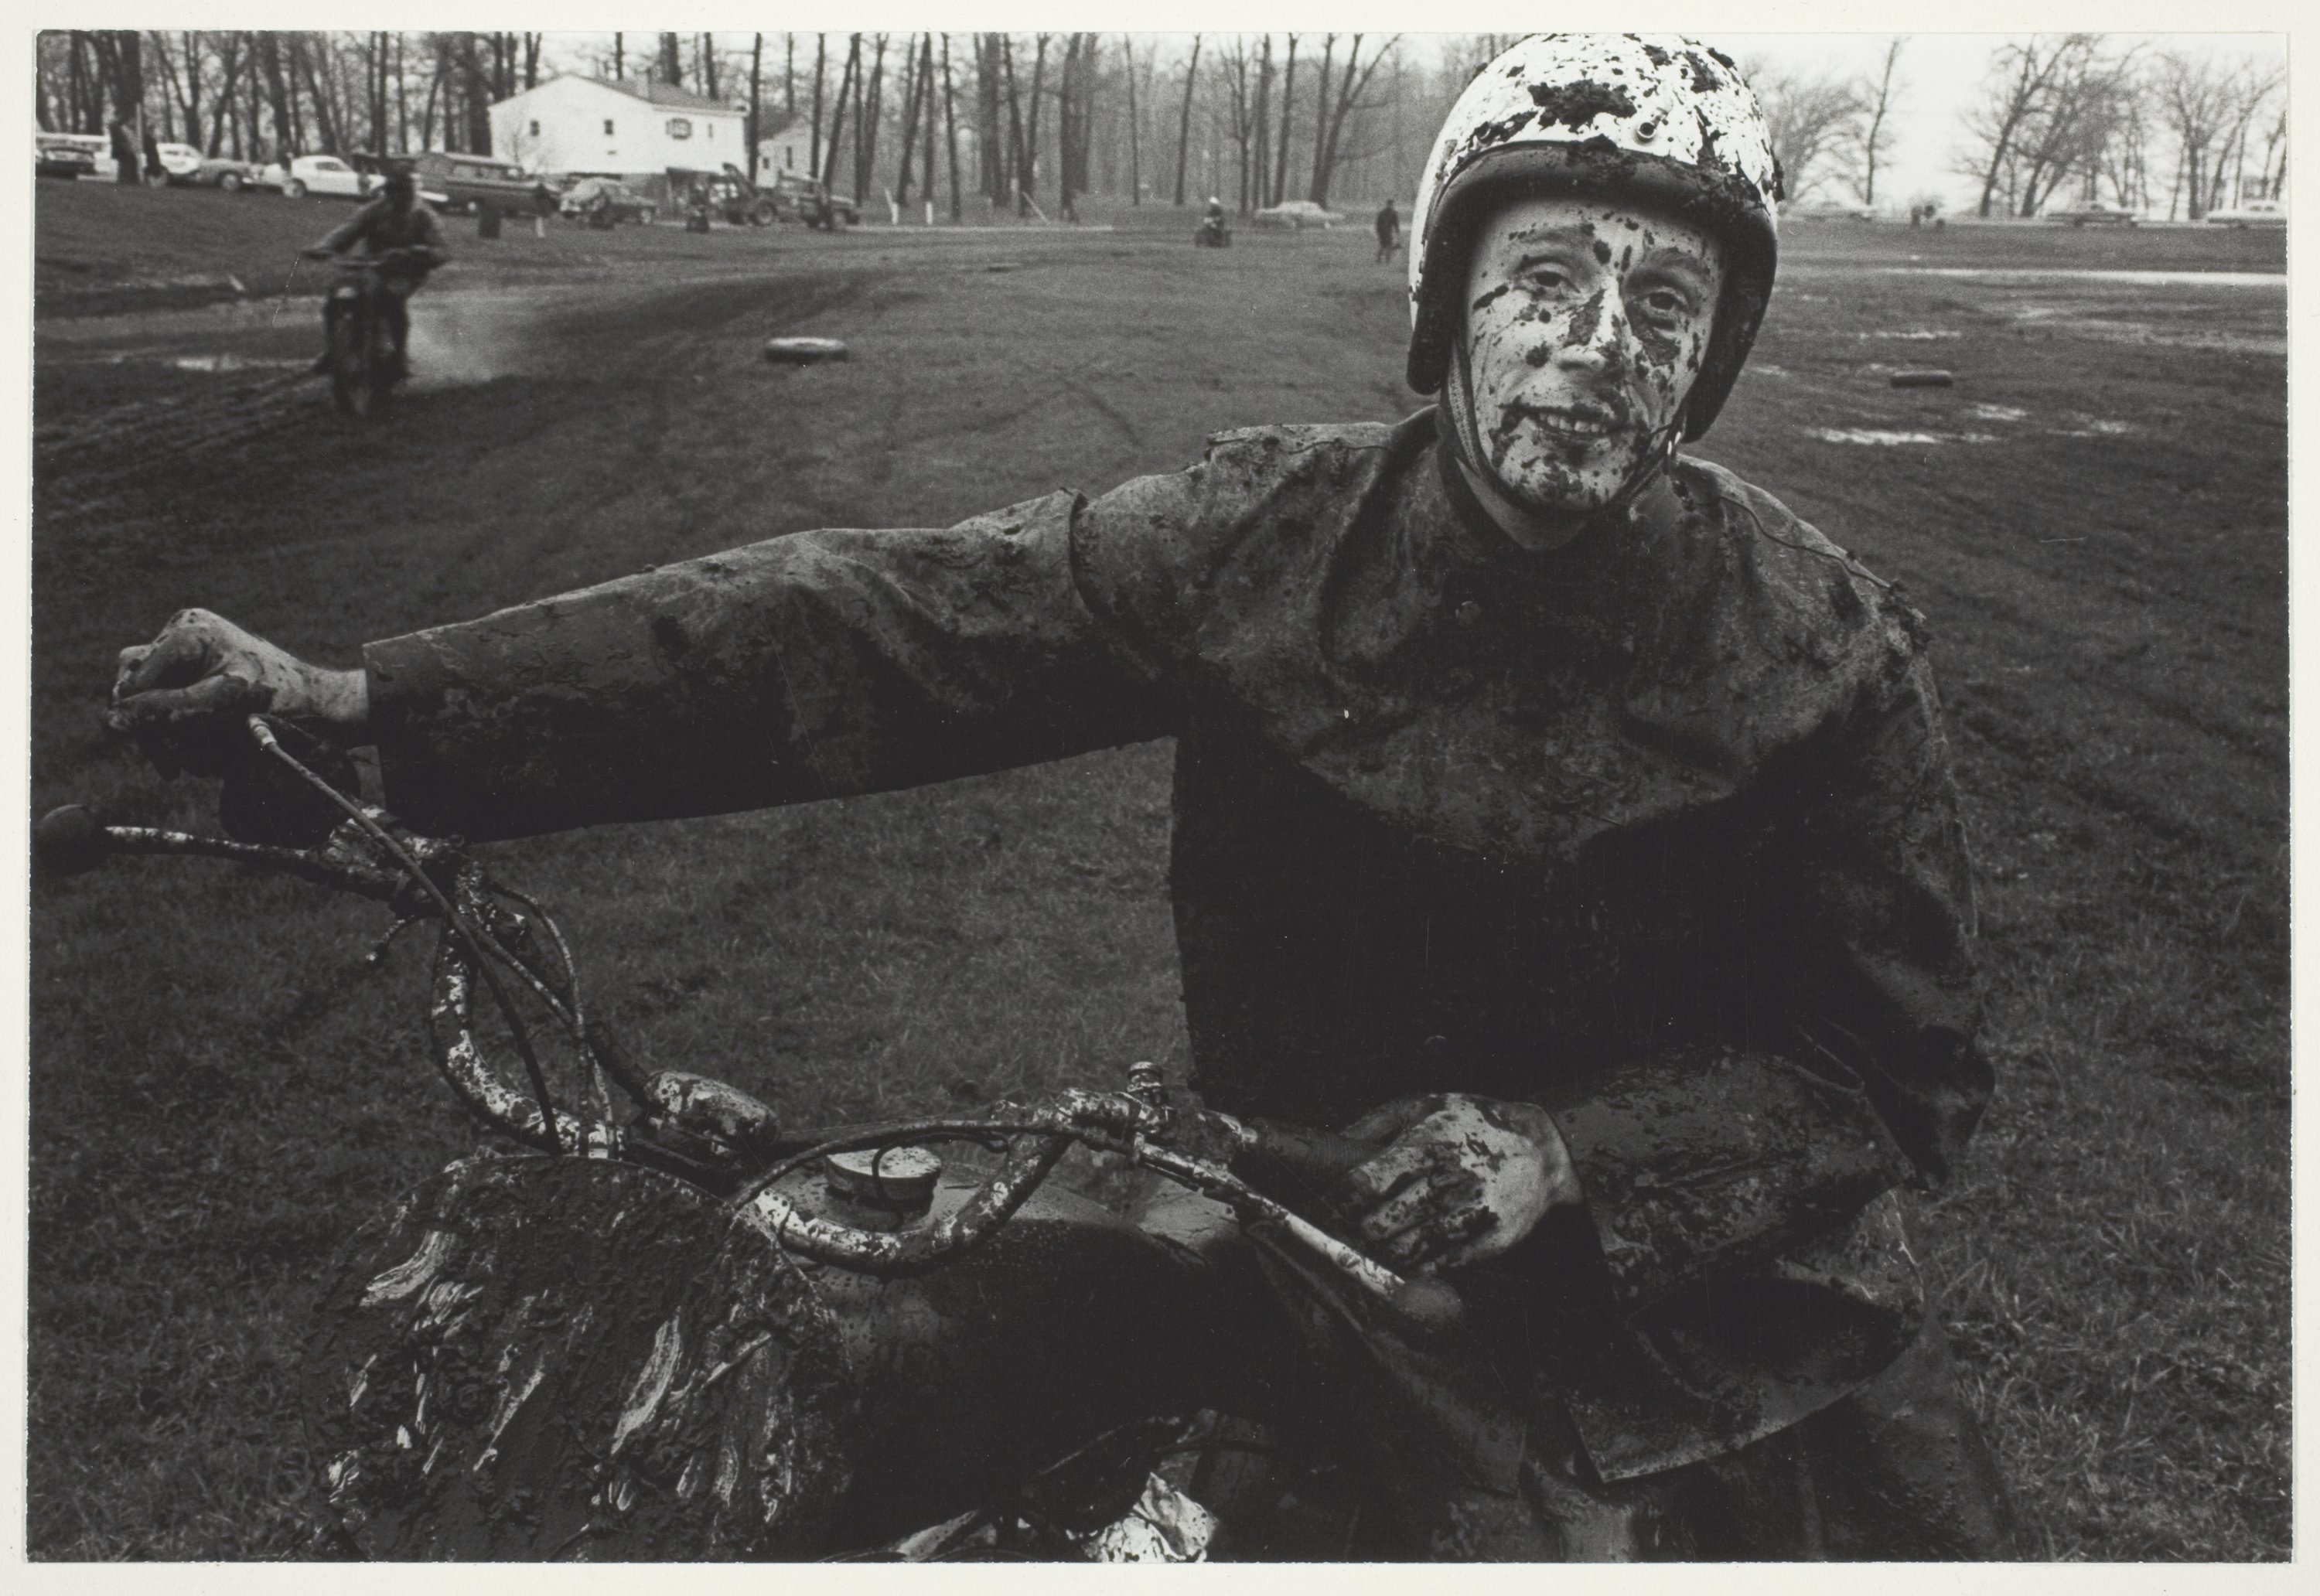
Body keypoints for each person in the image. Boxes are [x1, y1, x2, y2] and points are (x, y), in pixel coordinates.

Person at [107, 36, 2014, 1560]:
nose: (1598, 347)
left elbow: (1900, 1066)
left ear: (1715, 354)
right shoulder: (1264, 540)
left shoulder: (1822, 649)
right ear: (1451, 301)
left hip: (1704, 1333)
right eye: (1546, 279)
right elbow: (872, 625)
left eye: (1664, 301)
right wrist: (376, 702)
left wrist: (1572, 1151)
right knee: (837, 1420)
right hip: (1288, 1230)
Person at [302, 169, 447, 381]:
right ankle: (334, 349)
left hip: (407, 269)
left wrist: (419, 252)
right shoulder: (374, 210)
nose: (396, 197)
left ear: (410, 192)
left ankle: (399, 356)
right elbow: (348, 230)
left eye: (401, 191)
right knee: (337, 296)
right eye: (391, 191)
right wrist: (324, 247)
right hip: (372, 265)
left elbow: (442, 249)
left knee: (391, 299)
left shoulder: (423, 215)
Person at [1374, 196, 1401, 261]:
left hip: (1383, 231)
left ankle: (1379, 259)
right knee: (1388, 245)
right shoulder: (1393, 213)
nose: (1391, 206)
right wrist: (1397, 230)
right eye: (1391, 204)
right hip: (1386, 231)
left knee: (1383, 245)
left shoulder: (1382, 212)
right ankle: (1387, 259)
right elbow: (1395, 223)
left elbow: (1378, 223)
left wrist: (1378, 231)